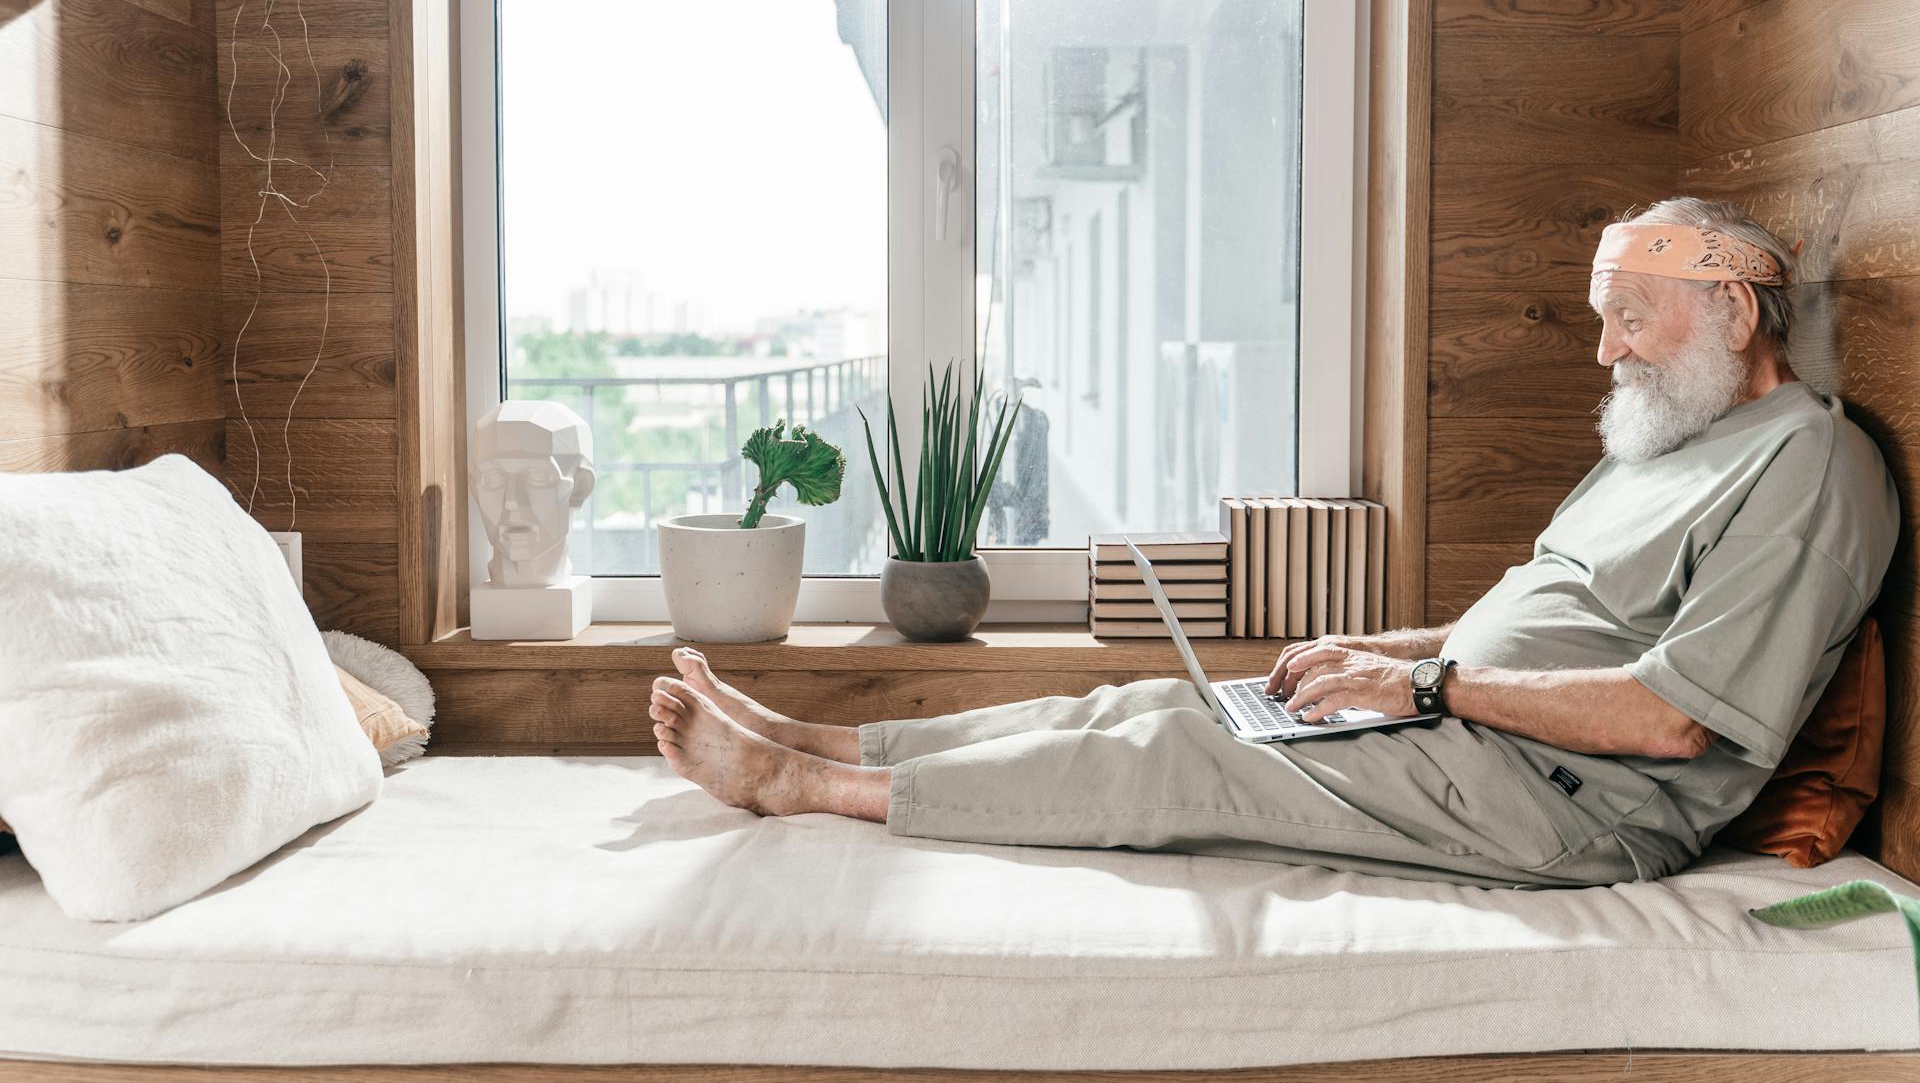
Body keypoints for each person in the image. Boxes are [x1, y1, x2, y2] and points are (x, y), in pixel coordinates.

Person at [648, 198, 1898, 887]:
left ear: (1734, 306)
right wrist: (1383, 649)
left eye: (1631, 316)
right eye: (1603, 317)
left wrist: (1418, 683)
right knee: (1145, 697)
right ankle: (821, 738)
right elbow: (1551, 620)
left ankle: (807, 789)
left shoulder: (1812, 465)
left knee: (1181, 750)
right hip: (1473, 729)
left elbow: (1678, 719)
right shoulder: (1665, 443)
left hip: (1572, 805)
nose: (1606, 348)